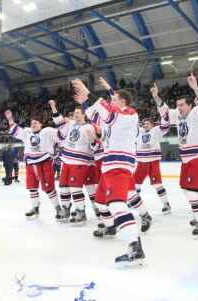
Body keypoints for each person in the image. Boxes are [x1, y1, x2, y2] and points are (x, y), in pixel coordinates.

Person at [72, 77, 145, 268]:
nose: (111, 102)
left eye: (114, 100)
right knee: (101, 202)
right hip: (109, 165)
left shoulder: (130, 115)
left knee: (117, 205)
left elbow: (110, 114)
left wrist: (89, 93)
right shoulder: (114, 119)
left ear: (122, 102)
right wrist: (86, 103)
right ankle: (111, 227)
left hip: (120, 164)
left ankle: (135, 248)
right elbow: (99, 118)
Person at [151, 73, 198, 238]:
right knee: (187, 189)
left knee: (192, 190)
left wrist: (195, 88)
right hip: (186, 159)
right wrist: (156, 96)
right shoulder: (177, 116)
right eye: (177, 105)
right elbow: (164, 110)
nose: (179, 107)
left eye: (182, 105)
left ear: (191, 105)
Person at [4, 109, 65, 220]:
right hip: (31, 165)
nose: (33, 125)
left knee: (49, 188)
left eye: (35, 123)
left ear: (41, 125)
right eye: (31, 123)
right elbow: (14, 130)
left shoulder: (48, 131)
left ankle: (58, 208)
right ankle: (35, 208)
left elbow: (61, 136)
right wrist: (9, 118)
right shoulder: (27, 132)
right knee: (32, 188)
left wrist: (62, 122)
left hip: (44, 163)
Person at [51, 100, 96, 225]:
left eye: (78, 113)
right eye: (74, 113)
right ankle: (66, 210)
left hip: (79, 162)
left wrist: (92, 141)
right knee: (63, 188)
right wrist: (54, 107)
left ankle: (81, 212)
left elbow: (95, 147)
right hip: (66, 161)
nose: (75, 115)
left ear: (84, 115)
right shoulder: (71, 124)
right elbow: (59, 122)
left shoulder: (89, 127)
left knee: (75, 188)